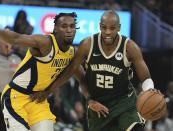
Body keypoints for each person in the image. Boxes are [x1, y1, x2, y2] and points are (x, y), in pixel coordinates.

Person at [30, 10, 158, 131]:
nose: (107, 32)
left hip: (125, 103)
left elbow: (145, 77)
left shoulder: (129, 47)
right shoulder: (87, 45)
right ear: (99, 26)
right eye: (104, 27)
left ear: (118, 28)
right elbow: (71, 71)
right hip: (98, 105)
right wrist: (48, 91)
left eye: (112, 28)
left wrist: (150, 91)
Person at [0, 12, 104, 131]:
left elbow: (82, 79)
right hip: (16, 97)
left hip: (38, 100)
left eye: (72, 26)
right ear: (55, 29)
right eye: (64, 26)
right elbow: (17, 38)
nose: (69, 30)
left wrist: (89, 99)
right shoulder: (45, 43)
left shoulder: (72, 53)